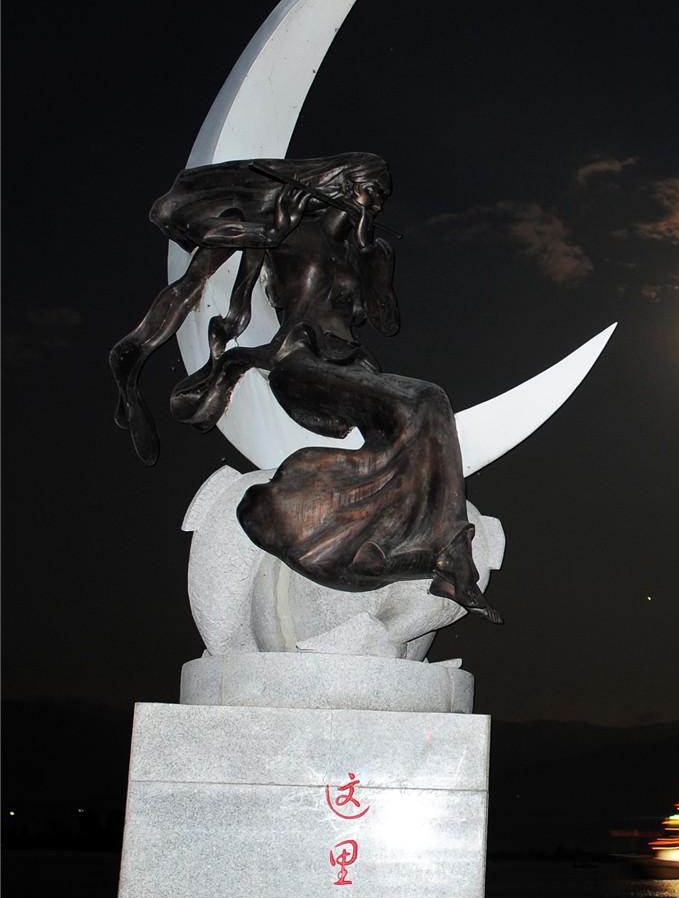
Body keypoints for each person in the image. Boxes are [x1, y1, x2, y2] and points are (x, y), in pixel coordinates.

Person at [110, 153, 500, 622]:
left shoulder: (373, 250)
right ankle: (448, 552)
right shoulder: (289, 232)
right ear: (341, 184)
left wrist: (369, 256)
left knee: (428, 405)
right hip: (301, 362)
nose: (376, 203)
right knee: (426, 399)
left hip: (356, 367)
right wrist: (275, 226)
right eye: (370, 190)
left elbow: (386, 321)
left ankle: (431, 549)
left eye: (382, 196)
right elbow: (183, 231)